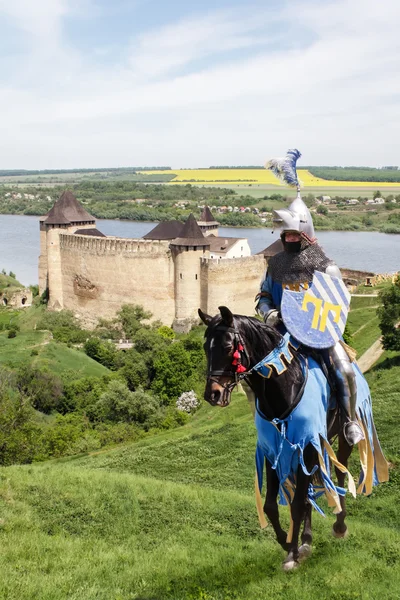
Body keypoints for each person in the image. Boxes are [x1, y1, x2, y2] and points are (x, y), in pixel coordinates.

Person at [256, 155, 364, 446]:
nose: (289, 239)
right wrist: (269, 314)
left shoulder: (325, 266)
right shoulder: (275, 265)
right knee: (253, 370)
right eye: (286, 234)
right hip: (281, 334)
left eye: (294, 234)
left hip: (317, 334)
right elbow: (263, 296)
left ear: (306, 233)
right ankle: (265, 423)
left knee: (343, 368)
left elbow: (338, 304)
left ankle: (350, 420)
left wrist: (324, 326)